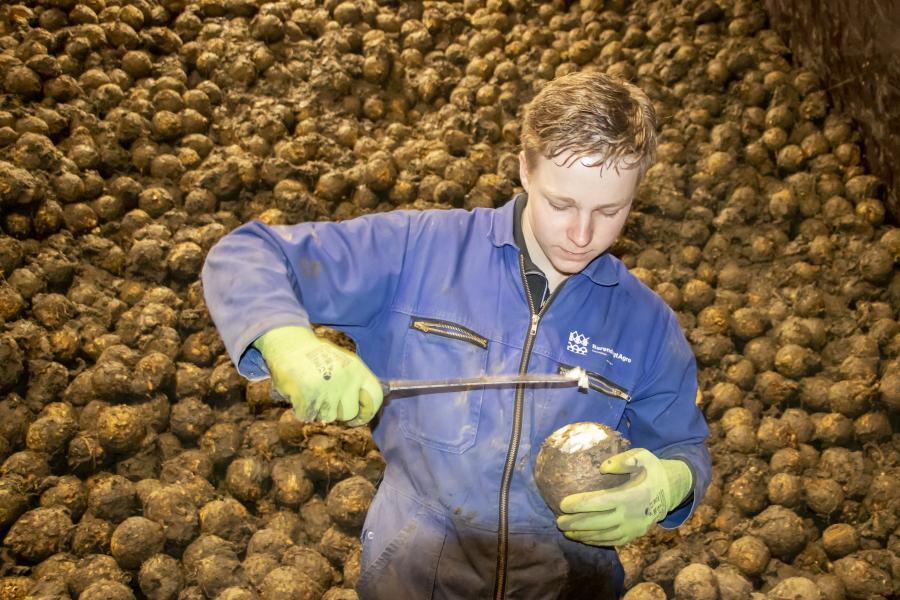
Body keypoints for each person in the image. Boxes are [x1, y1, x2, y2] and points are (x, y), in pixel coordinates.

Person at [202, 70, 711, 599]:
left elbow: (683, 443)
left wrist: (668, 485)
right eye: (561, 204)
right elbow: (251, 253)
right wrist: (288, 341)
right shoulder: (419, 252)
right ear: (524, 170)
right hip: (415, 580)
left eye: (610, 211)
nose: (582, 235)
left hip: (568, 585)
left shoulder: (647, 324)